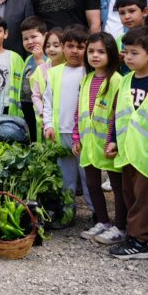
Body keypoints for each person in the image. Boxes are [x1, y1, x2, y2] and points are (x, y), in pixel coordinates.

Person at [105, 27, 148, 260]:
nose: (128, 58)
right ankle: (146, 236)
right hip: (127, 151)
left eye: (134, 53)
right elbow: (118, 114)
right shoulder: (126, 80)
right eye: (126, 52)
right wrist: (113, 140)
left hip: (147, 153)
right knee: (129, 194)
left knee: (145, 198)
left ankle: (138, 241)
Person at [77, 32, 126, 246]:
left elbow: (118, 113)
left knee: (117, 187)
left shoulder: (117, 80)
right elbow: (79, 110)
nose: (95, 56)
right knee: (92, 184)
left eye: (101, 52)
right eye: (91, 51)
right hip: (88, 143)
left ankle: (121, 226)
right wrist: (76, 137)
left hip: (109, 144)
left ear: (111, 54)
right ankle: (103, 221)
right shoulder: (86, 79)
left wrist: (112, 139)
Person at [39, 25, 91, 220]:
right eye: (70, 46)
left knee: (88, 177)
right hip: (60, 133)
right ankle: (68, 214)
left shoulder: (90, 71)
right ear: (63, 47)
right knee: (65, 177)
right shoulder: (55, 72)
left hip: (84, 135)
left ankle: (97, 215)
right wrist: (48, 125)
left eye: (80, 47)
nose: (74, 51)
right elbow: (48, 102)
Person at [20, 16, 49, 141]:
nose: (30, 41)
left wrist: (39, 60)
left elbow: (47, 81)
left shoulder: (49, 58)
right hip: (26, 104)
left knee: (41, 137)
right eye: (25, 39)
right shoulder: (28, 59)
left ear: (45, 36)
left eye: (34, 37)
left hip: (40, 106)